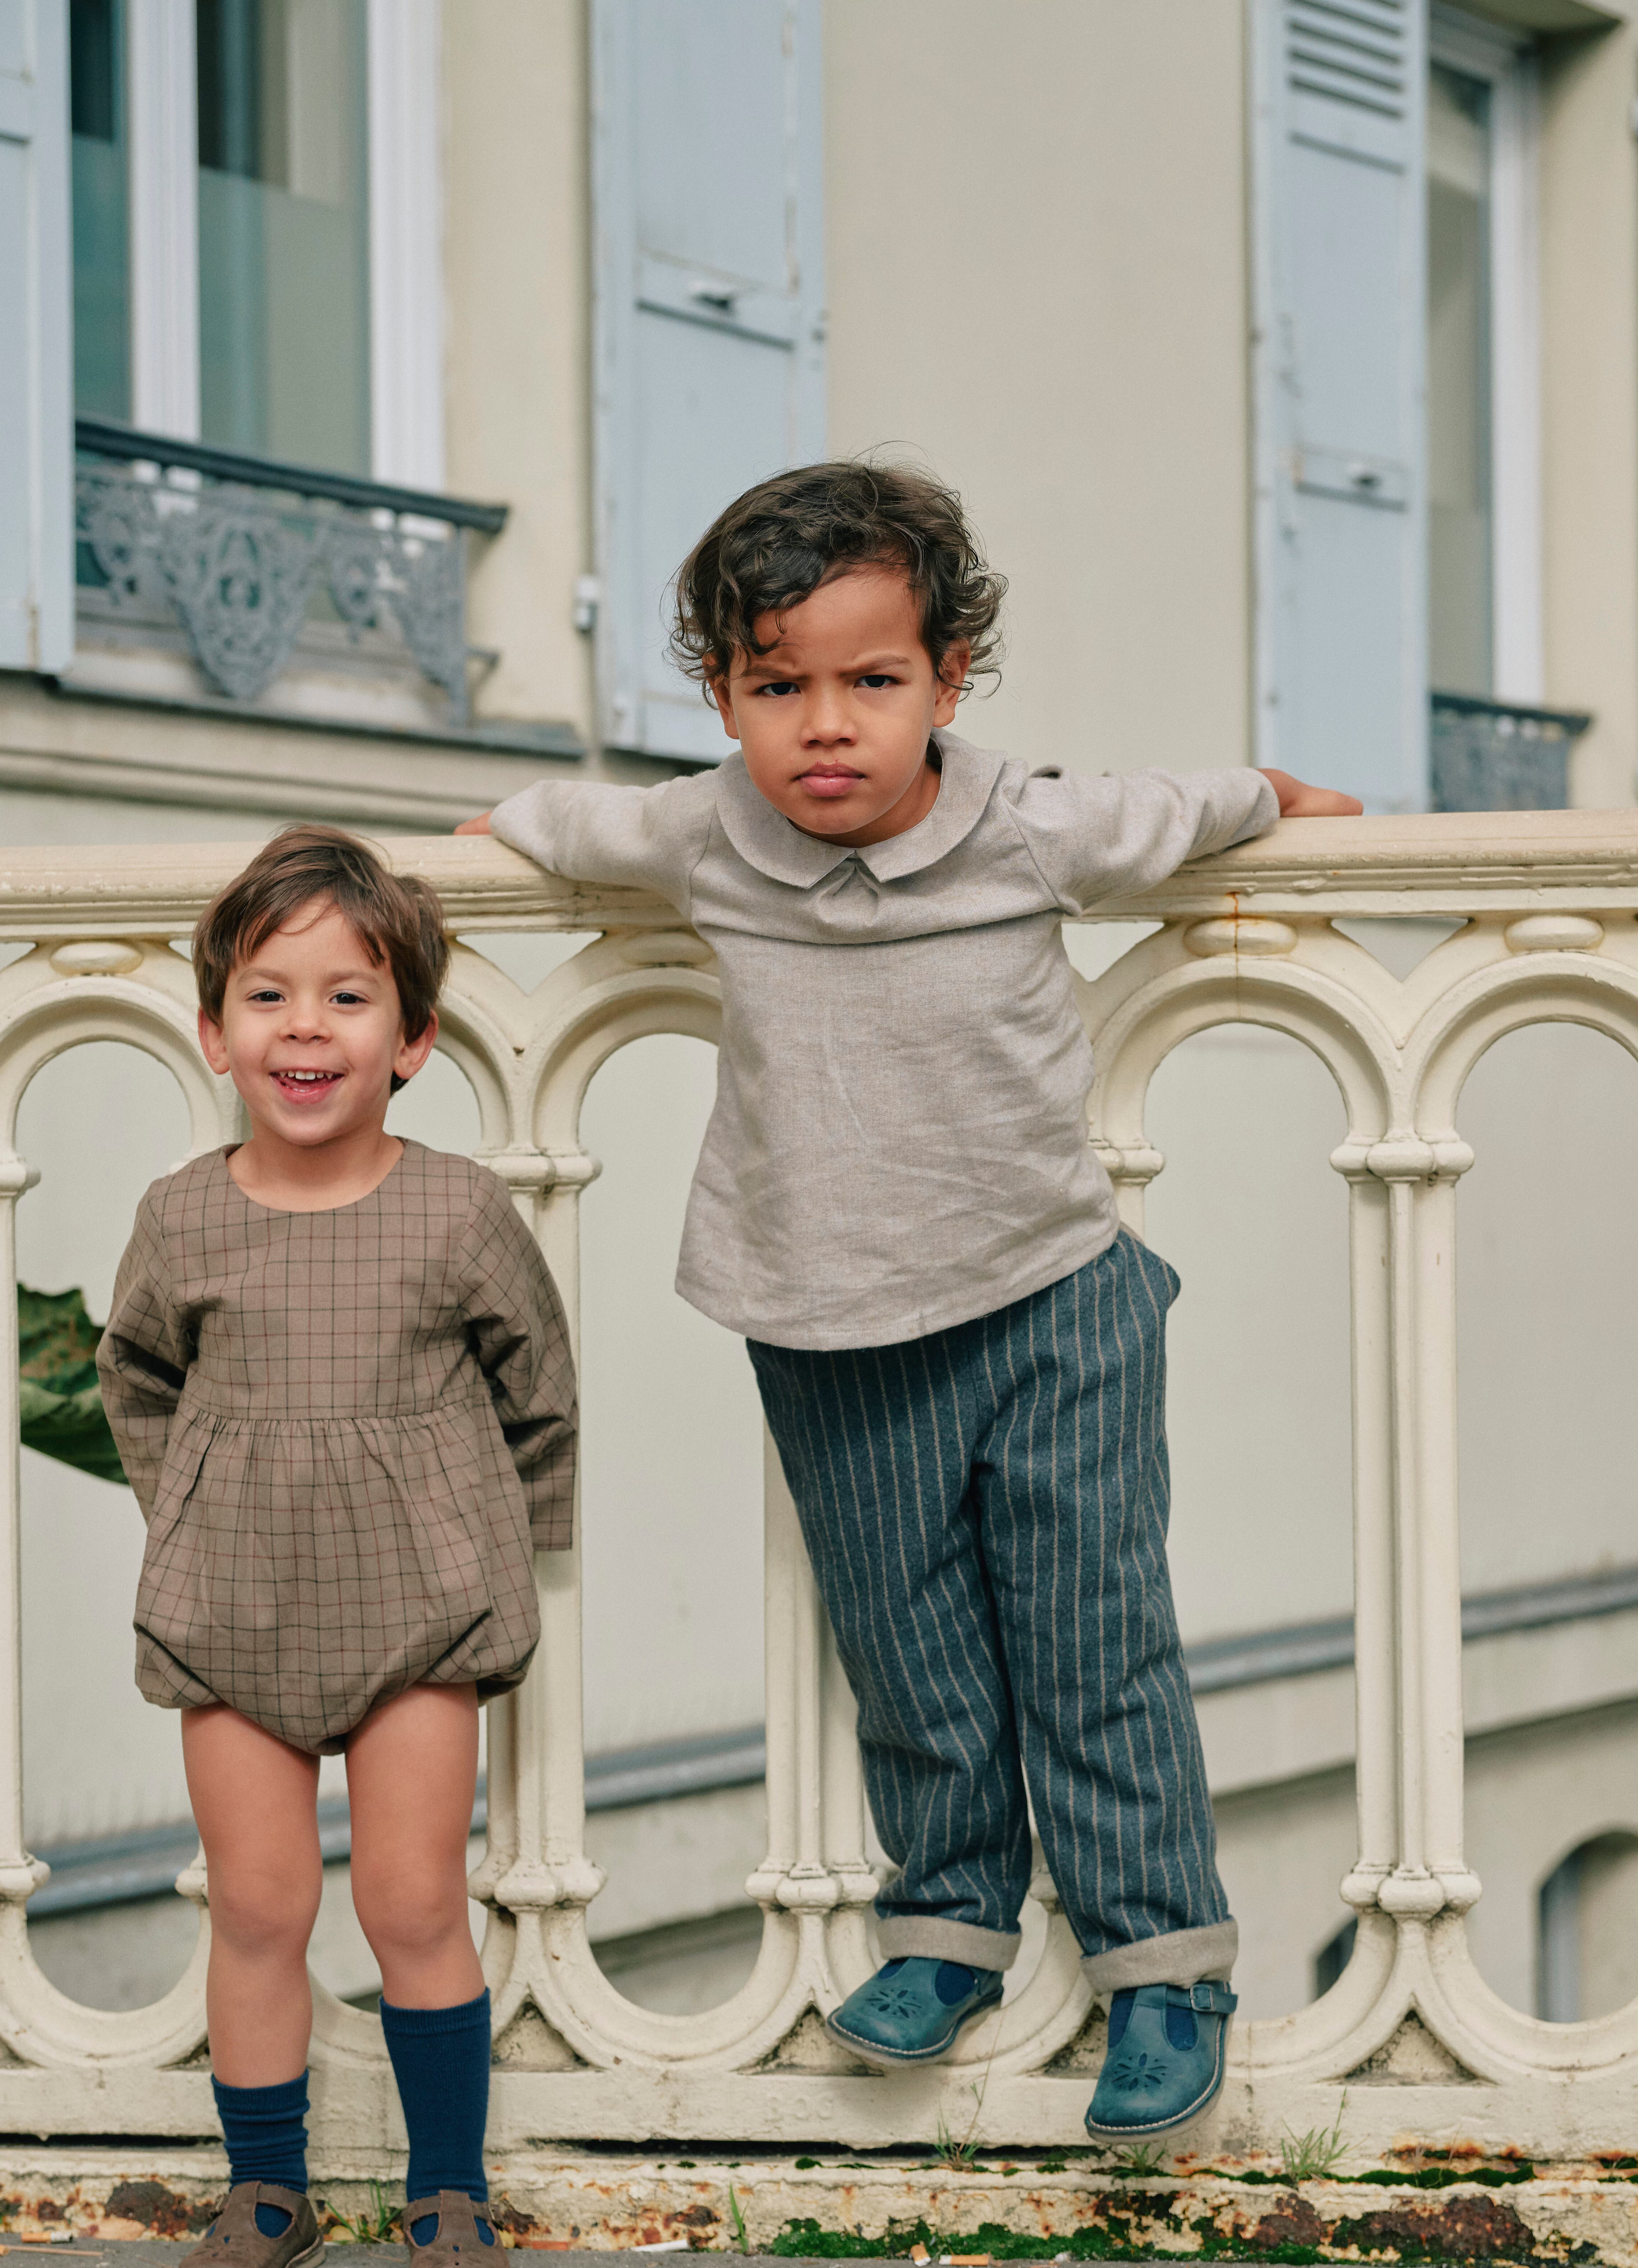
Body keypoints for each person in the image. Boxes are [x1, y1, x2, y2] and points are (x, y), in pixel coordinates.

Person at [459, 460, 1360, 2144]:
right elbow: (572, 823)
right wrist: (494, 832)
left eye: (870, 681)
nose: (825, 725)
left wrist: (1273, 795)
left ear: (946, 682)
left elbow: (1176, 810)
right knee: (910, 1652)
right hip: (828, 1329)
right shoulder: (702, 832)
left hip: (1049, 1298)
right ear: (721, 696)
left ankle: (1161, 1967)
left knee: (1092, 1639)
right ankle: (948, 1926)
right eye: (775, 686)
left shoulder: (1029, 823)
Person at [98, 825, 576, 2268]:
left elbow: (538, 1389)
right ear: (215, 1031)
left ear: (412, 1039)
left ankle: (448, 2195)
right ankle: (266, 2190)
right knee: (257, 1908)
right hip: (232, 1616)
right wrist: (193, 1511)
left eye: (347, 997)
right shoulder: (182, 1215)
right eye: (268, 995)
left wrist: (501, 1548)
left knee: (412, 1904)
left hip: (418, 1617)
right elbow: (136, 1380)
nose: (304, 1027)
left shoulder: (458, 1211)